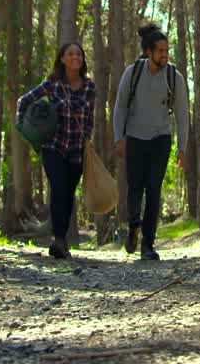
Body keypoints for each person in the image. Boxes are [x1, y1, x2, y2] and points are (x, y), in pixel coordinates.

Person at [112, 23, 190, 261]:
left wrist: (182, 147)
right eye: (160, 51)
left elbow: (182, 113)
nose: (165, 55)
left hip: (160, 139)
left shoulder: (174, 77)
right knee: (135, 186)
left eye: (167, 50)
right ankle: (134, 225)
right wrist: (119, 137)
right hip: (135, 137)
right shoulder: (132, 73)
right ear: (148, 52)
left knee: (153, 189)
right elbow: (120, 106)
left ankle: (148, 243)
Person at [16, 42, 96, 259]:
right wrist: (23, 126)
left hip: (78, 150)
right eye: (70, 54)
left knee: (68, 195)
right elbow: (24, 100)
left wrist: (88, 139)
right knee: (59, 188)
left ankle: (60, 240)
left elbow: (90, 118)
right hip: (53, 147)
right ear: (62, 58)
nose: (75, 57)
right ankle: (59, 240)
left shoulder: (90, 86)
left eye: (79, 54)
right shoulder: (52, 84)